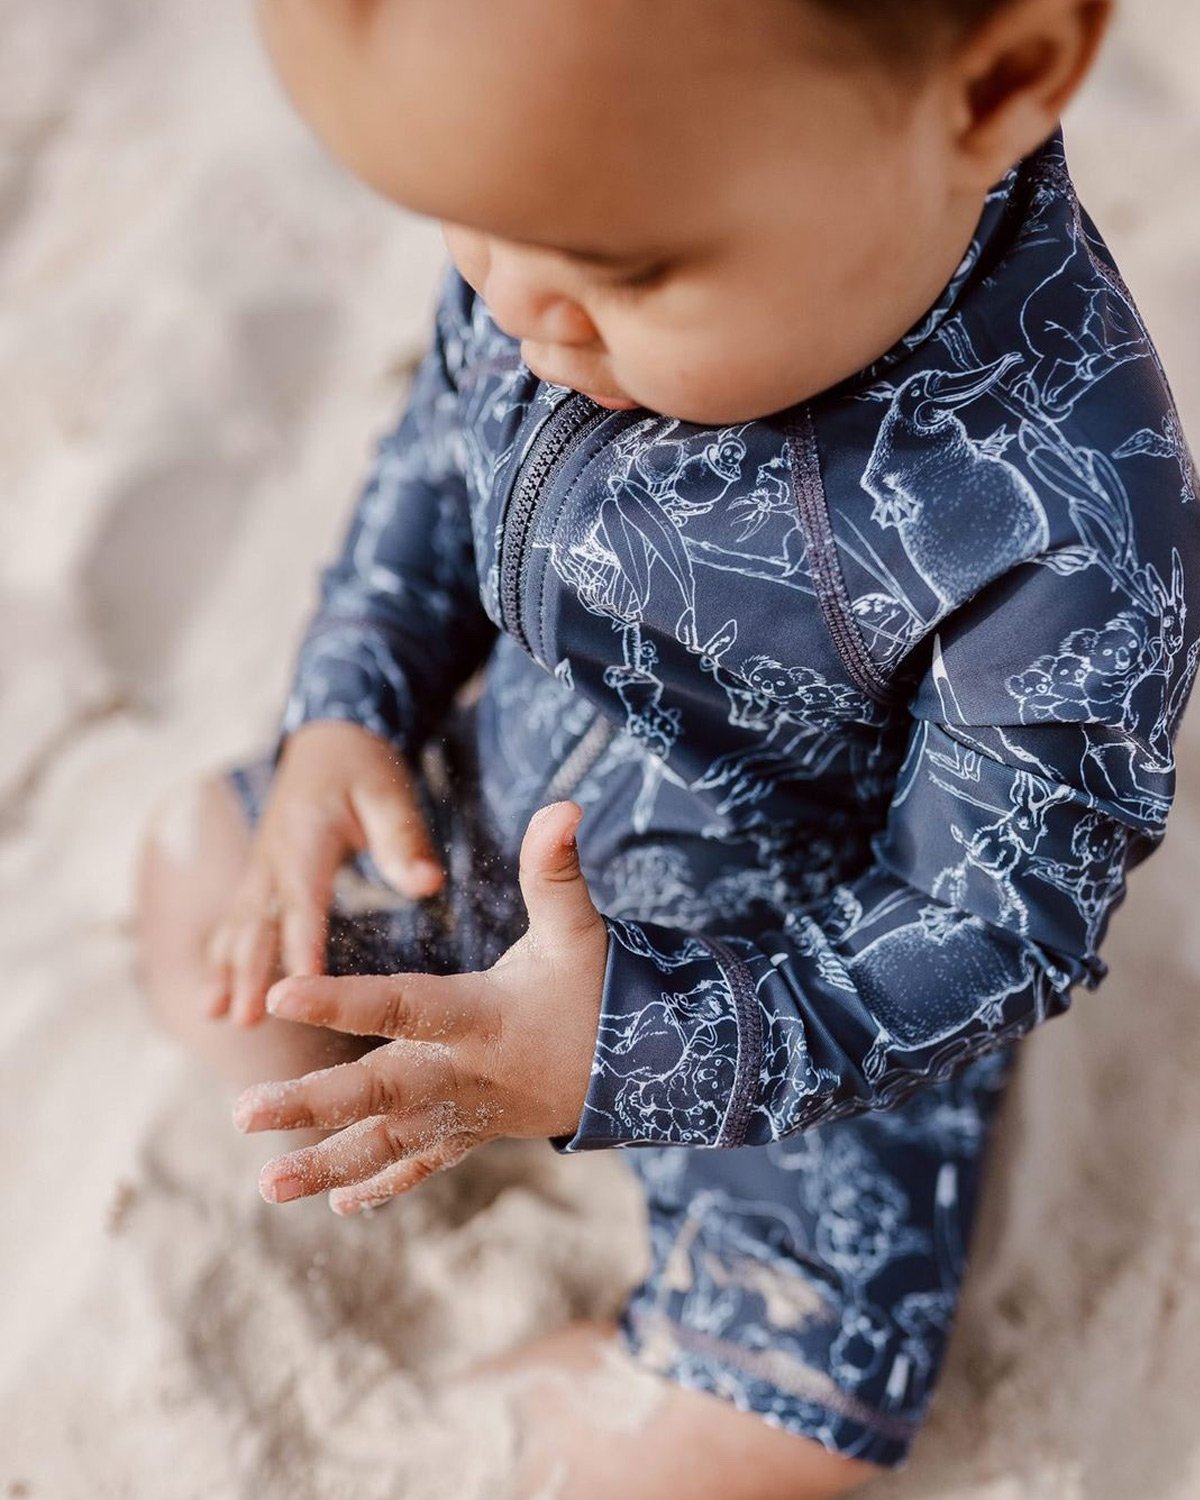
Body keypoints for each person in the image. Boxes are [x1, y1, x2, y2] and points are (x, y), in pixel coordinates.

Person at [134, 1, 1200, 1495]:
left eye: (618, 273)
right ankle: (462, 1055)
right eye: (466, 225)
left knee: (764, 1432)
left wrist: (633, 1050)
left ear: (999, 83)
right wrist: (348, 706)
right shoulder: (560, 215)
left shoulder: (1055, 515)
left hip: (787, 984)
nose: (511, 309)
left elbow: (995, 920)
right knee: (198, 892)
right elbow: (439, 456)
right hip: (506, 811)